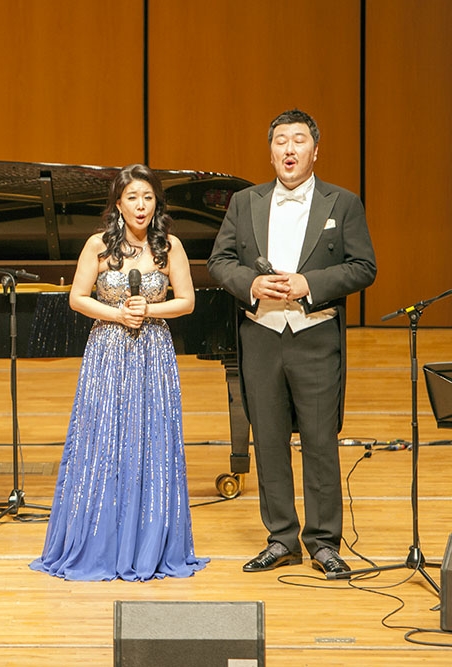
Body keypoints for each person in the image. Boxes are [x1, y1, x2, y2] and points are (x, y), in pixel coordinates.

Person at [208, 109, 376, 576]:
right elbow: (220, 259)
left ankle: (323, 542)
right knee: (269, 441)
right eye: (280, 141)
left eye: (298, 140)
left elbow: (364, 266)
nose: (288, 149)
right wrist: (251, 285)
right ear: (271, 151)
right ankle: (281, 537)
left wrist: (309, 284)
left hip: (315, 336)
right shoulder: (245, 201)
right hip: (261, 336)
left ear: (314, 150)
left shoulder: (342, 203)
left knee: (321, 441)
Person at [30, 164, 207, 582]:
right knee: (104, 440)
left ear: (156, 202)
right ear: (118, 203)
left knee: (151, 440)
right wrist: (115, 314)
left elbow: (187, 302)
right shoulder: (97, 244)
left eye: (147, 198)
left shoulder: (170, 247)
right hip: (108, 352)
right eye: (132, 198)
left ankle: (149, 543)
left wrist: (149, 310)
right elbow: (76, 298)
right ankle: (99, 541)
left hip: (153, 352)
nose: (140, 206)